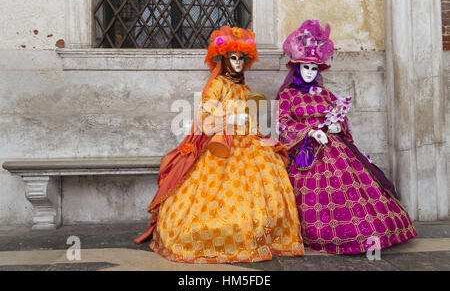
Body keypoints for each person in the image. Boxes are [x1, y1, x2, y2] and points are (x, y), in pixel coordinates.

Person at [135, 26, 304, 263]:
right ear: (224, 59)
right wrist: (230, 119)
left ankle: (261, 234)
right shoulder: (218, 85)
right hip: (222, 146)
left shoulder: (244, 88)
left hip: (248, 145)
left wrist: (256, 132)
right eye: (233, 58)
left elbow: (251, 119)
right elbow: (204, 120)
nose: (237, 63)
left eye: (241, 58)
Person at [276, 20, 417, 254]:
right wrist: (309, 132)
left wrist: (336, 126)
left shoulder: (325, 93)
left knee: (353, 188)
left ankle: (371, 232)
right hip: (305, 153)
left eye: (314, 69)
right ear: (297, 68)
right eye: (306, 68)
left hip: (335, 149)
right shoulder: (288, 95)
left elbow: (340, 118)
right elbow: (282, 123)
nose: (310, 73)